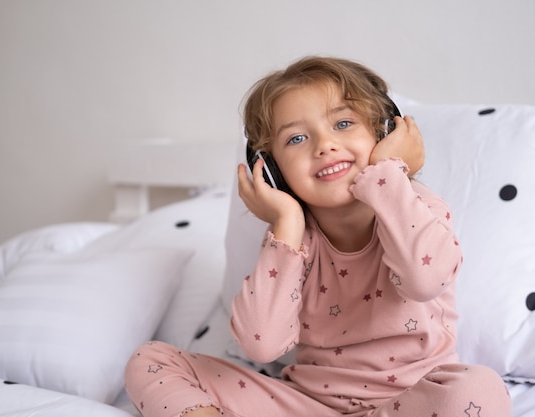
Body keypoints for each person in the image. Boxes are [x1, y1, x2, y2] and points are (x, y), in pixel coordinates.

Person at [124, 56, 512, 417]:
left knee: (478, 389)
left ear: (385, 133)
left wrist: (388, 175)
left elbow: (424, 280)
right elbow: (262, 343)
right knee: (151, 360)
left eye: (343, 124)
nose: (324, 146)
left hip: (409, 404)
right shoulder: (290, 242)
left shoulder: (417, 208)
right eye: (296, 139)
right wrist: (287, 223)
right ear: (273, 170)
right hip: (307, 406)